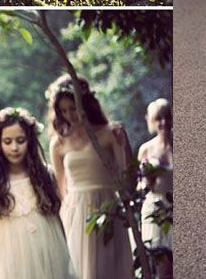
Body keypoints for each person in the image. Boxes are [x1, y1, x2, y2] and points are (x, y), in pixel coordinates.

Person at [0, 106, 73, 279]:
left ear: (30, 140)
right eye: (7, 141)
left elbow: (58, 218)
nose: (14, 147)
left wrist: (67, 252)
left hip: (50, 253)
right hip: (12, 259)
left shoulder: (46, 174)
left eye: (20, 140)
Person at [47, 75, 134, 279]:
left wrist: (125, 145)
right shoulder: (58, 143)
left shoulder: (109, 133)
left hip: (106, 206)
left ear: (85, 103)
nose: (70, 114)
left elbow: (126, 178)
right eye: (64, 110)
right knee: (82, 270)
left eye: (74, 107)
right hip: (76, 211)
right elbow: (61, 189)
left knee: (108, 268)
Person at [136, 99, 173, 278]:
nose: (163, 122)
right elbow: (140, 185)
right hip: (156, 211)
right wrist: (147, 181)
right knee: (163, 268)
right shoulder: (146, 149)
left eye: (167, 117)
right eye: (158, 118)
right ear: (151, 121)